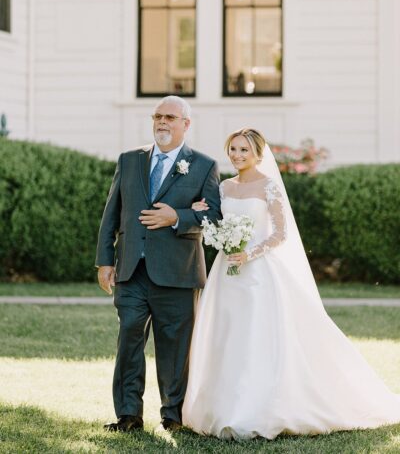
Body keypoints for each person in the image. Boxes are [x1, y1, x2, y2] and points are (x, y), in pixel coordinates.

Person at [182, 128, 400, 440]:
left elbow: (279, 234)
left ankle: (257, 408)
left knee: (257, 336)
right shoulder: (225, 187)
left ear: (258, 153)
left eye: (244, 150)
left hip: (258, 273)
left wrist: (249, 253)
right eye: (233, 149)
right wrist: (204, 218)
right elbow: (216, 220)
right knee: (226, 335)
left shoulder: (268, 186)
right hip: (226, 273)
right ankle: (222, 407)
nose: (237, 155)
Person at [95, 95, 221, 433]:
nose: (162, 122)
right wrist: (105, 260)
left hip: (178, 272)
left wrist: (176, 217)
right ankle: (128, 415)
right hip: (131, 270)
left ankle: (173, 416)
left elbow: (215, 216)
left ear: (186, 124)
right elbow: (112, 213)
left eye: (169, 117)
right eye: (157, 116)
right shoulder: (130, 160)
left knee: (175, 348)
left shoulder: (204, 165)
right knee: (129, 339)